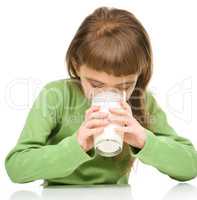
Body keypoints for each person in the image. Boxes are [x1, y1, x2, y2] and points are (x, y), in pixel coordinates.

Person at [5, 6, 197, 187]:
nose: (108, 94)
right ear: (76, 64)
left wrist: (144, 140)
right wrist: (76, 145)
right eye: (96, 84)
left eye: (125, 86)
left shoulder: (142, 101)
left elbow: (190, 166)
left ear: (139, 75)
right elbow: (16, 167)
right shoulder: (56, 96)